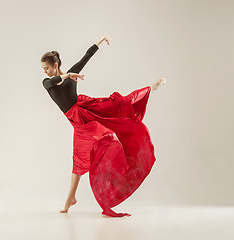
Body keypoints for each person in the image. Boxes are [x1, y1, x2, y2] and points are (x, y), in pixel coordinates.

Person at [40, 33, 166, 217]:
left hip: (87, 109)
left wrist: (100, 41)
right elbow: (52, 82)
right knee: (79, 158)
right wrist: (67, 76)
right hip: (79, 120)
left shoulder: (71, 73)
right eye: (43, 69)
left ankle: (150, 89)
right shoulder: (48, 82)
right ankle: (71, 198)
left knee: (119, 104)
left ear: (55, 65)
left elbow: (86, 56)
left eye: (46, 68)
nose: (44, 71)